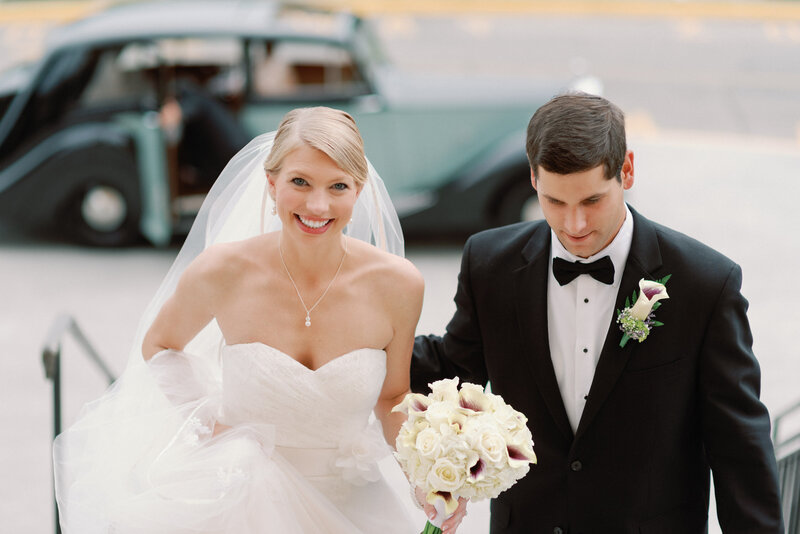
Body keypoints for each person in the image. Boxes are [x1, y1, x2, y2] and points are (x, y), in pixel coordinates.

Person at [53, 107, 467, 533]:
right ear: (271, 184)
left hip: (350, 502)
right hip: (240, 501)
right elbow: (159, 345)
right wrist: (208, 425)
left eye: (337, 186)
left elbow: (391, 397)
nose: (318, 205)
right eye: (299, 182)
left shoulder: (398, 285)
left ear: (358, 190)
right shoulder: (222, 270)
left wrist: (424, 477)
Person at [411, 92, 783, 533]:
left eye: (591, 201)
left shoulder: (704, 282)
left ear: (626, 170)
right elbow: (455, 368)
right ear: (532, 178)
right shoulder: (489, 263)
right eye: (555, 203)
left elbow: (739, 446)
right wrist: (357, 323)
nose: (574, 225)